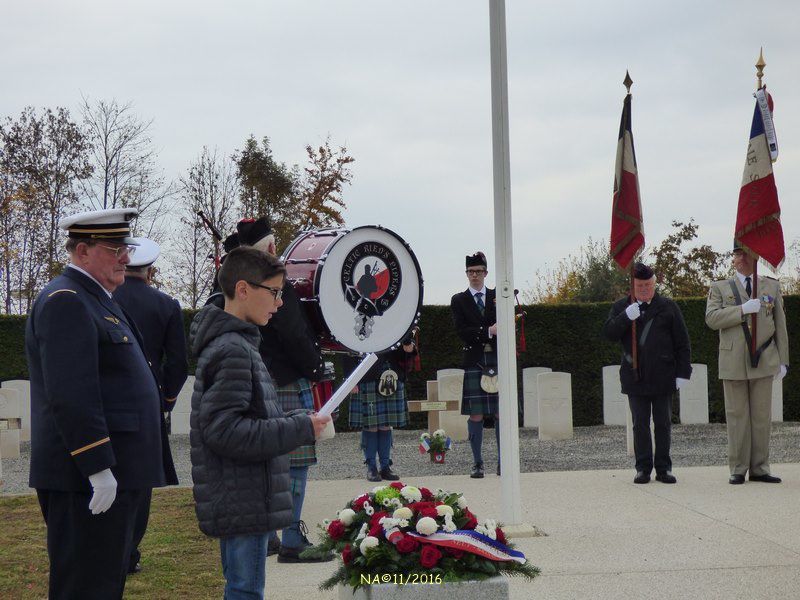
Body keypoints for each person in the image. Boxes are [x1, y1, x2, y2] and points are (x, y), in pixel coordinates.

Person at [25, 208, 177, 599]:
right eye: (115, 249)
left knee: (105, 581)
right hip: (84, 479)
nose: (126, 257)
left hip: (116, 472)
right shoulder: (66, 300)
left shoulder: (99, 298)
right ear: (82, 251)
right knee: (85, 587)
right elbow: (71, 393)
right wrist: (97, 466)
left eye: (124, 247)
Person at [189, 246, 331, 600]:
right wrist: (299, 430)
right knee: (245, 592)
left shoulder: (239, 343)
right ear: (243, 290)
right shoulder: (233, 349)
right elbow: (225, 432)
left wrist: (300, 419)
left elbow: (248, 417)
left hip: (242, 496)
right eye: (274, 292)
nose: (280, 303)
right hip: (244, 499)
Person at [230, 217, 332, 563]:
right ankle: (291, 537)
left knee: (264, 460)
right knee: (296, 464)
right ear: (271, 247)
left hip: (255, 378)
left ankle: (270, 536)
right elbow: (293, 334)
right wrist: (315, 368)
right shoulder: (277, 283)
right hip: (287, 380)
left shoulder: (237, 282)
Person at [112, 236, 188, 573]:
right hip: (147, 404)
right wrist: (166, 400)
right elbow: (177, 365)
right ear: (150, 270)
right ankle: (128, 552)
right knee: (139, 485)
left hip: (106, 403)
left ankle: (107, 548)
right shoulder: (166, 305)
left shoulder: (104, 298)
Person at [706, 242, 789, 485]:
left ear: (755, 255)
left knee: (761, 417)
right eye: (736, 254)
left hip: (764, 358)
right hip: (733, 361)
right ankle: (738, 468)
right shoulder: (720, 287)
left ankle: (760, 467)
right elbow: (711, 318)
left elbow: (780, 324)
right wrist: (741, 309)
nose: (740, 258)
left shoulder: (771, 286)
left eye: (744, 253)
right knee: (737, 417)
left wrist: (783, 360)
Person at [602, 262, 692, 484]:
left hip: (663, 374)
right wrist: (625, 317)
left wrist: (683, 373)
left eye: (649, 285)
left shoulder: (668, 307)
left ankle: (663, 468)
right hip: (636, 375)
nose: (645, 289)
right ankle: (643, 468)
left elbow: (682, 342)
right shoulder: (622, 306)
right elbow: (609, 334)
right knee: (640, 423)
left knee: (663, 423)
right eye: (640, 286)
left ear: (654, 284)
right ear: (633, 286)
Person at [450, 251, 500, 479]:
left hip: (498, 359)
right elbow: (462, 332)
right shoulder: (459, 300)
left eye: (479, 271)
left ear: (486, 273)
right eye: (471, 272)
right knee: (476, 415)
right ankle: (478, 463)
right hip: (474, 360)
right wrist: (488, 330)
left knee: (501, 413)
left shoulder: (498, 295)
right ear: (466, 274)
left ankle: (503, 461)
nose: (475, 276)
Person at [345, 338, 417, 482]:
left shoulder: (395, 319)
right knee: (371, 425)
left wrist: (410, 345)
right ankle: (371, 467)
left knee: (386, 424)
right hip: (366, 374)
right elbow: (347, 346)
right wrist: (350, 378)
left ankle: (385, 467)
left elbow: (407, 349)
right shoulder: (359, 318)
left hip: (392, 372)